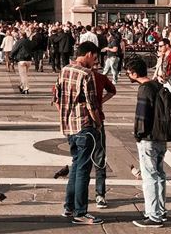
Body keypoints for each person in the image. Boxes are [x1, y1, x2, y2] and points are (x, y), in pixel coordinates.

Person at [54, 41, 104, 225]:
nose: (95, 62)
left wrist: (66, 116)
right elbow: (92, 105)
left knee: (75, 167)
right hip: (85, 126)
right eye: (95, 58)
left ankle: (69, 207)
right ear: (89, 54)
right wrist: (98, 124)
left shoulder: (64, 70)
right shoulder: (86, 74)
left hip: (69, 127)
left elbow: (56, 99)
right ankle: (80, 213)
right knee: (83, 170)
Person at [125, 54, 167, 228]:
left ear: (134, 73)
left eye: (128, 72)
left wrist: (138, 135)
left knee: (149, 177)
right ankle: (161, 211)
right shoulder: (158, 85)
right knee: (160, 175)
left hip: (148, 138)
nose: (128, 75)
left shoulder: (144, 89)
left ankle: (153, 215)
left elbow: (141, 116)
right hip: (161, 137)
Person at [91, 52, 117, 209]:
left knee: (91, 160)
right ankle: (99, 194)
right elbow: (112, 91)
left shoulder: (99, 78)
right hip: (96, 122)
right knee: (97, 159)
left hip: (89, 122)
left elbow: (112, 90)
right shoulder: (96, 77)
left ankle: (98, 194)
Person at [11, 29, 34, 94]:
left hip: (21, 60)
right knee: (25, 74)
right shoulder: (29, 41)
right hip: (29, 60)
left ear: (21, 35)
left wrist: (11, 57)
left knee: (23, 75)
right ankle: (21, 86)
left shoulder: (19, 41)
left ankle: (25, 88)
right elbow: (32, 48)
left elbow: (14, 50)